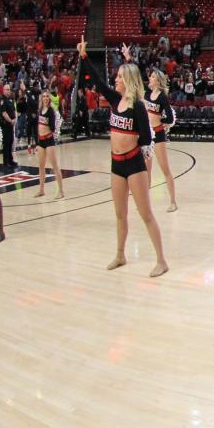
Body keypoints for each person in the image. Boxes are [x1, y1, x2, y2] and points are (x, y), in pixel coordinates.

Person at [77, 41, 168, 277]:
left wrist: (144, 166)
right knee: (120, 214)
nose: (115, 80)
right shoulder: (115, 101)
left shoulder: (138, 106)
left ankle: (161, 260)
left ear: (126, 80)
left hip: (134, 164)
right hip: (116, 164)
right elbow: (97, 81)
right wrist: (84, 56)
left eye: (118, 77)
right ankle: (120, 254)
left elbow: (147, 139)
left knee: (145, 214)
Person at [139, 55, 178, 212]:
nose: (150, 78)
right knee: (146, 170)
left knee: (165, 169)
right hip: (148, 135)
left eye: (153, 76)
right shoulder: (147, 95)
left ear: (158, 80)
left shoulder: (162, 96)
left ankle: (173, 201)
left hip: (159, 135)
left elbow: (169, 116)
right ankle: (146, 204)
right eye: (151, 76)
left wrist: (160, 123)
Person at [32, 90, 64, 199]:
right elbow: (37, 126)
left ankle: (61, 191)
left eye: (47, 96)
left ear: (49, 99)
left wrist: (47, 122)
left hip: (49, 140)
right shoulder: (40, 110)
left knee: (55, 166)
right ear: (41, 98)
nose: (45, 98)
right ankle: (41, 190)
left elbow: (53, 128)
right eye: (43, 96)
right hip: (41, 141)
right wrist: (36, 142)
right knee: (41, 166)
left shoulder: (51, 111)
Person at [0, 84, 14, 172]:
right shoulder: (2, 100)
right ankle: (6, 162)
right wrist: (11, 121)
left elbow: (13, 110)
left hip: (11, 124)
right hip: (6, 124)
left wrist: (14, 119)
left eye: (9, 89)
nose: (8, 91)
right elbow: (4, 113)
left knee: (11, 141)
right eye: (7, 89)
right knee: (6, 143)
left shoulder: (9, 100)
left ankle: (11, 160)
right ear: (3, 90)